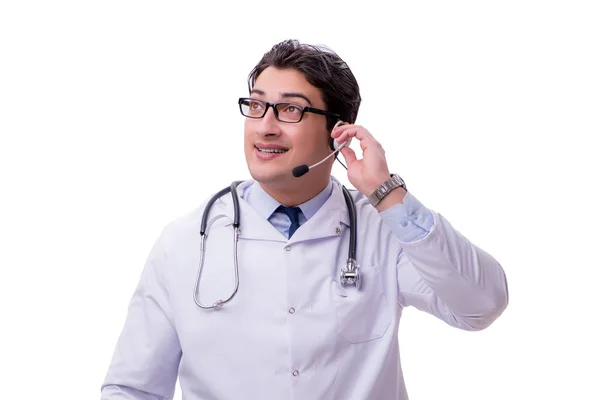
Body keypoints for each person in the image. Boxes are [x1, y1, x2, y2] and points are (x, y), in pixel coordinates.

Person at [100, 39, 509, 400]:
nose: (265, 127)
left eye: (289, 110)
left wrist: (387, 193)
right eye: (257, 105)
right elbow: (132, 389)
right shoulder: (187, 242)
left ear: (338, 131)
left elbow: (481, 305)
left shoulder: (382, 230)